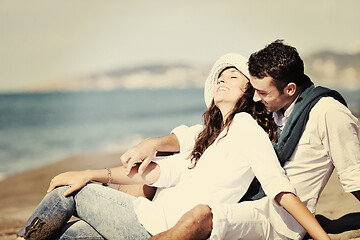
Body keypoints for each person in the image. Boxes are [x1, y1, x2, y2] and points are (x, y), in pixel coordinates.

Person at [17, 53, 330, 240]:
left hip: (160, 227)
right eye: (220, 77)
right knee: (72, 235)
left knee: (67, 194)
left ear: (249, 92)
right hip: (147, 218)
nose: (221, 80)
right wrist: (93, 172)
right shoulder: (209, 137)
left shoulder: (246, 128)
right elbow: (152, 173)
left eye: (232, 77)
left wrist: (321, 236)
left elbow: (280, 188)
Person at [129, 40, 360, 240]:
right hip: (248, 200)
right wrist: (155, 143)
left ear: (289, 89)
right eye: (254, 90)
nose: (256, 98)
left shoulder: (329, 114)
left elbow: (355, 179)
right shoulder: (272, 109)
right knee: (149, 174)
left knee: (198, 215)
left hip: (278, 219)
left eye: (263, 92)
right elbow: (207, 134)